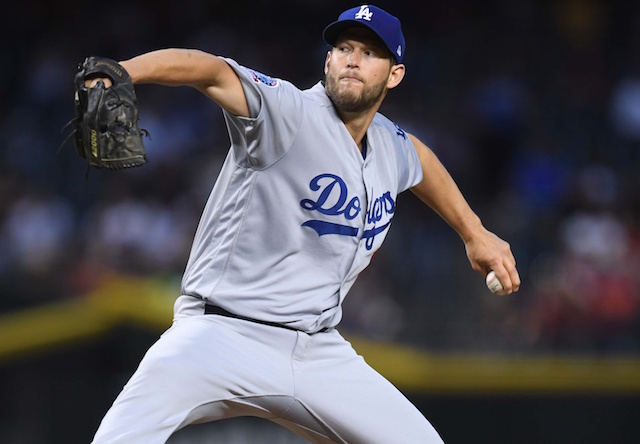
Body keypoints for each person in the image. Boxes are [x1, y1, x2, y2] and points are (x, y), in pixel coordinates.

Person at [90, 5, 520, 443]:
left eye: (370, 52)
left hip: (317, 352)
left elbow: (421, 161)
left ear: (395, 74)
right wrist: (123, 71)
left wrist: (474, 232)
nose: (352, 59)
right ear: (328, 60)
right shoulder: (288, 110)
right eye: (344, 48)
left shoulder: (390, 144)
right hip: (220, 335)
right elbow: (210, 70)